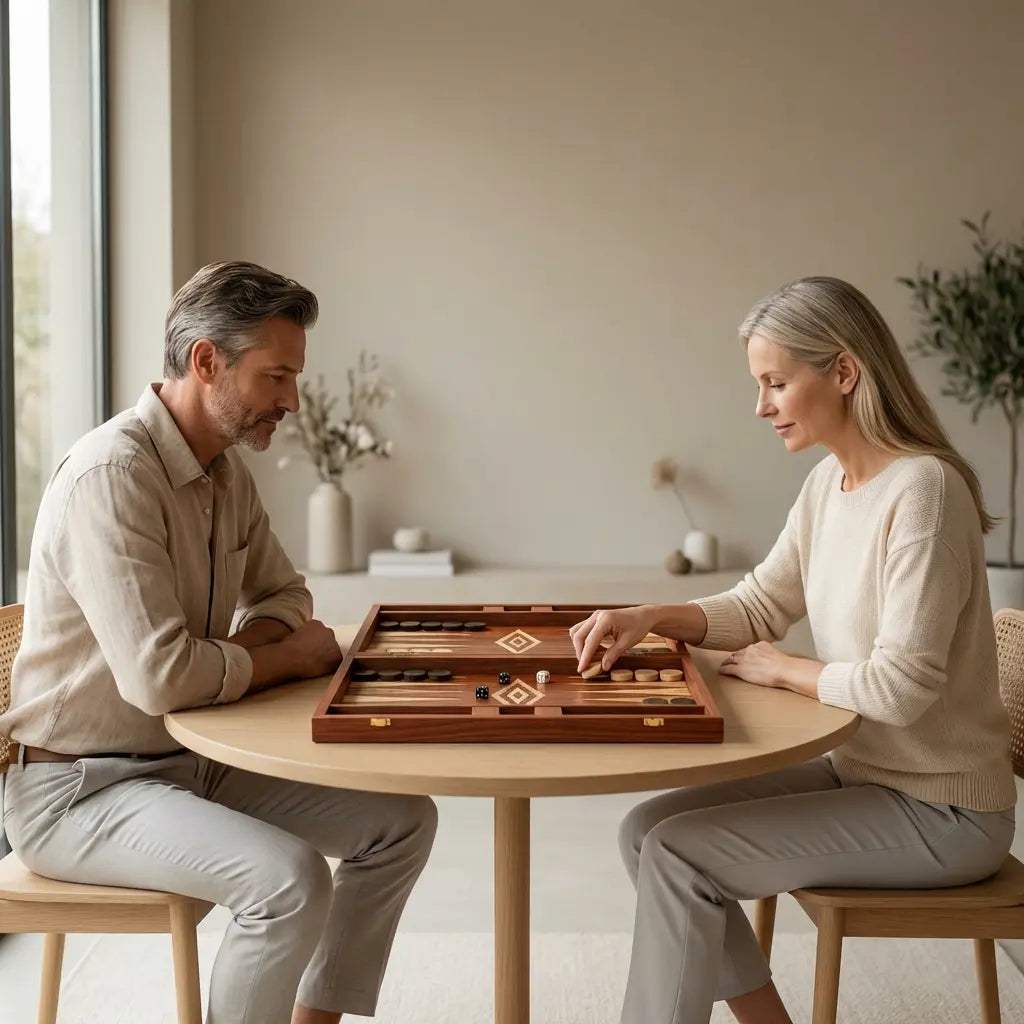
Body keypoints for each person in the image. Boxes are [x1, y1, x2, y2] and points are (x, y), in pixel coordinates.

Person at [570, 276, 1016, 1024]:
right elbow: (757, 605)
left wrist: (787, 668)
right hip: (866, 777)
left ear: (843, 372)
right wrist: (649, 616)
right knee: (646, 834)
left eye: (777, 382)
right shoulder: (827, 486)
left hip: (944, 812)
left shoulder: (924, 493)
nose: (761, 405)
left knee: (680, 857)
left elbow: (901, 687)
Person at [0, 261, 437, 1024]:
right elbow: (161, 678)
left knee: (401, 821)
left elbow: (286, 595)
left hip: (189, 763)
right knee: (289, 879)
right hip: (79, 791)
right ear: (207, 362)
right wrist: (281, 658)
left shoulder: (225, 474)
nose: (292, 401)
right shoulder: (112, 476)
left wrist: (264, 651)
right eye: (276, 377)